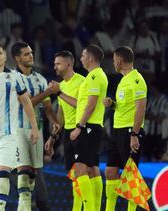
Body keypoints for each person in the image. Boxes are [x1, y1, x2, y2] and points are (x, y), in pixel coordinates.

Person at [0, 43, 39, 211]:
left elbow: (26, 102)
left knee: (3, 171)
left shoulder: (15, 77)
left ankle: (0, 209)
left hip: (9, 134)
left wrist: (34, 127)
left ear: (5, 57)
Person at [11, 42, 60, 211]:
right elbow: (28, 103)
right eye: (26, 54)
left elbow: (46, 107)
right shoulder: (12, 78)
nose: (31, 56)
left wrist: (54, 121)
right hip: (17, 130)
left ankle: (35, 205)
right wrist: (49, 92)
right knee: (24, 170)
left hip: (36, 130)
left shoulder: (40, 79)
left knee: (35, 172)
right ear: (17, 58)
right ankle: (27, 207)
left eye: (31, 53)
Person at [103, 46, 147, 211]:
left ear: (120, 61)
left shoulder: (137, 80)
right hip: (117, 131)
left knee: (130, 175)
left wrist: (134, 134)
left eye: (114, 60)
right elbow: (125, 106)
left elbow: (141, 109)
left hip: (130, 132)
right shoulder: (123, 80)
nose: (113, 62)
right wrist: (112, 104)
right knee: (110, 171)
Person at [65, 44, 107, 211]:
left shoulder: (95, 77)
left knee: (81, 169)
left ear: (90, 58)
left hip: (88, 127)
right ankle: (95, 208)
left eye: (83, 55)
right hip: (93, 127)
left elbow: (91, 105)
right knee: (92, 168)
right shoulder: (94, 76)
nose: (81, 58)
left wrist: (79, 127)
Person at [46, 50, 85, 211]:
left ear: (68, 64)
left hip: (81, 132)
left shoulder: (82, 82)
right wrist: (52, 138)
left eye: (58, 64)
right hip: (68, 134)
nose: (54, 67)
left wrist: (59, 93)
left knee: (83, 175)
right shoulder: (61, 85)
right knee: (73, 175)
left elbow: (81, 106)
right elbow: (61, 116)